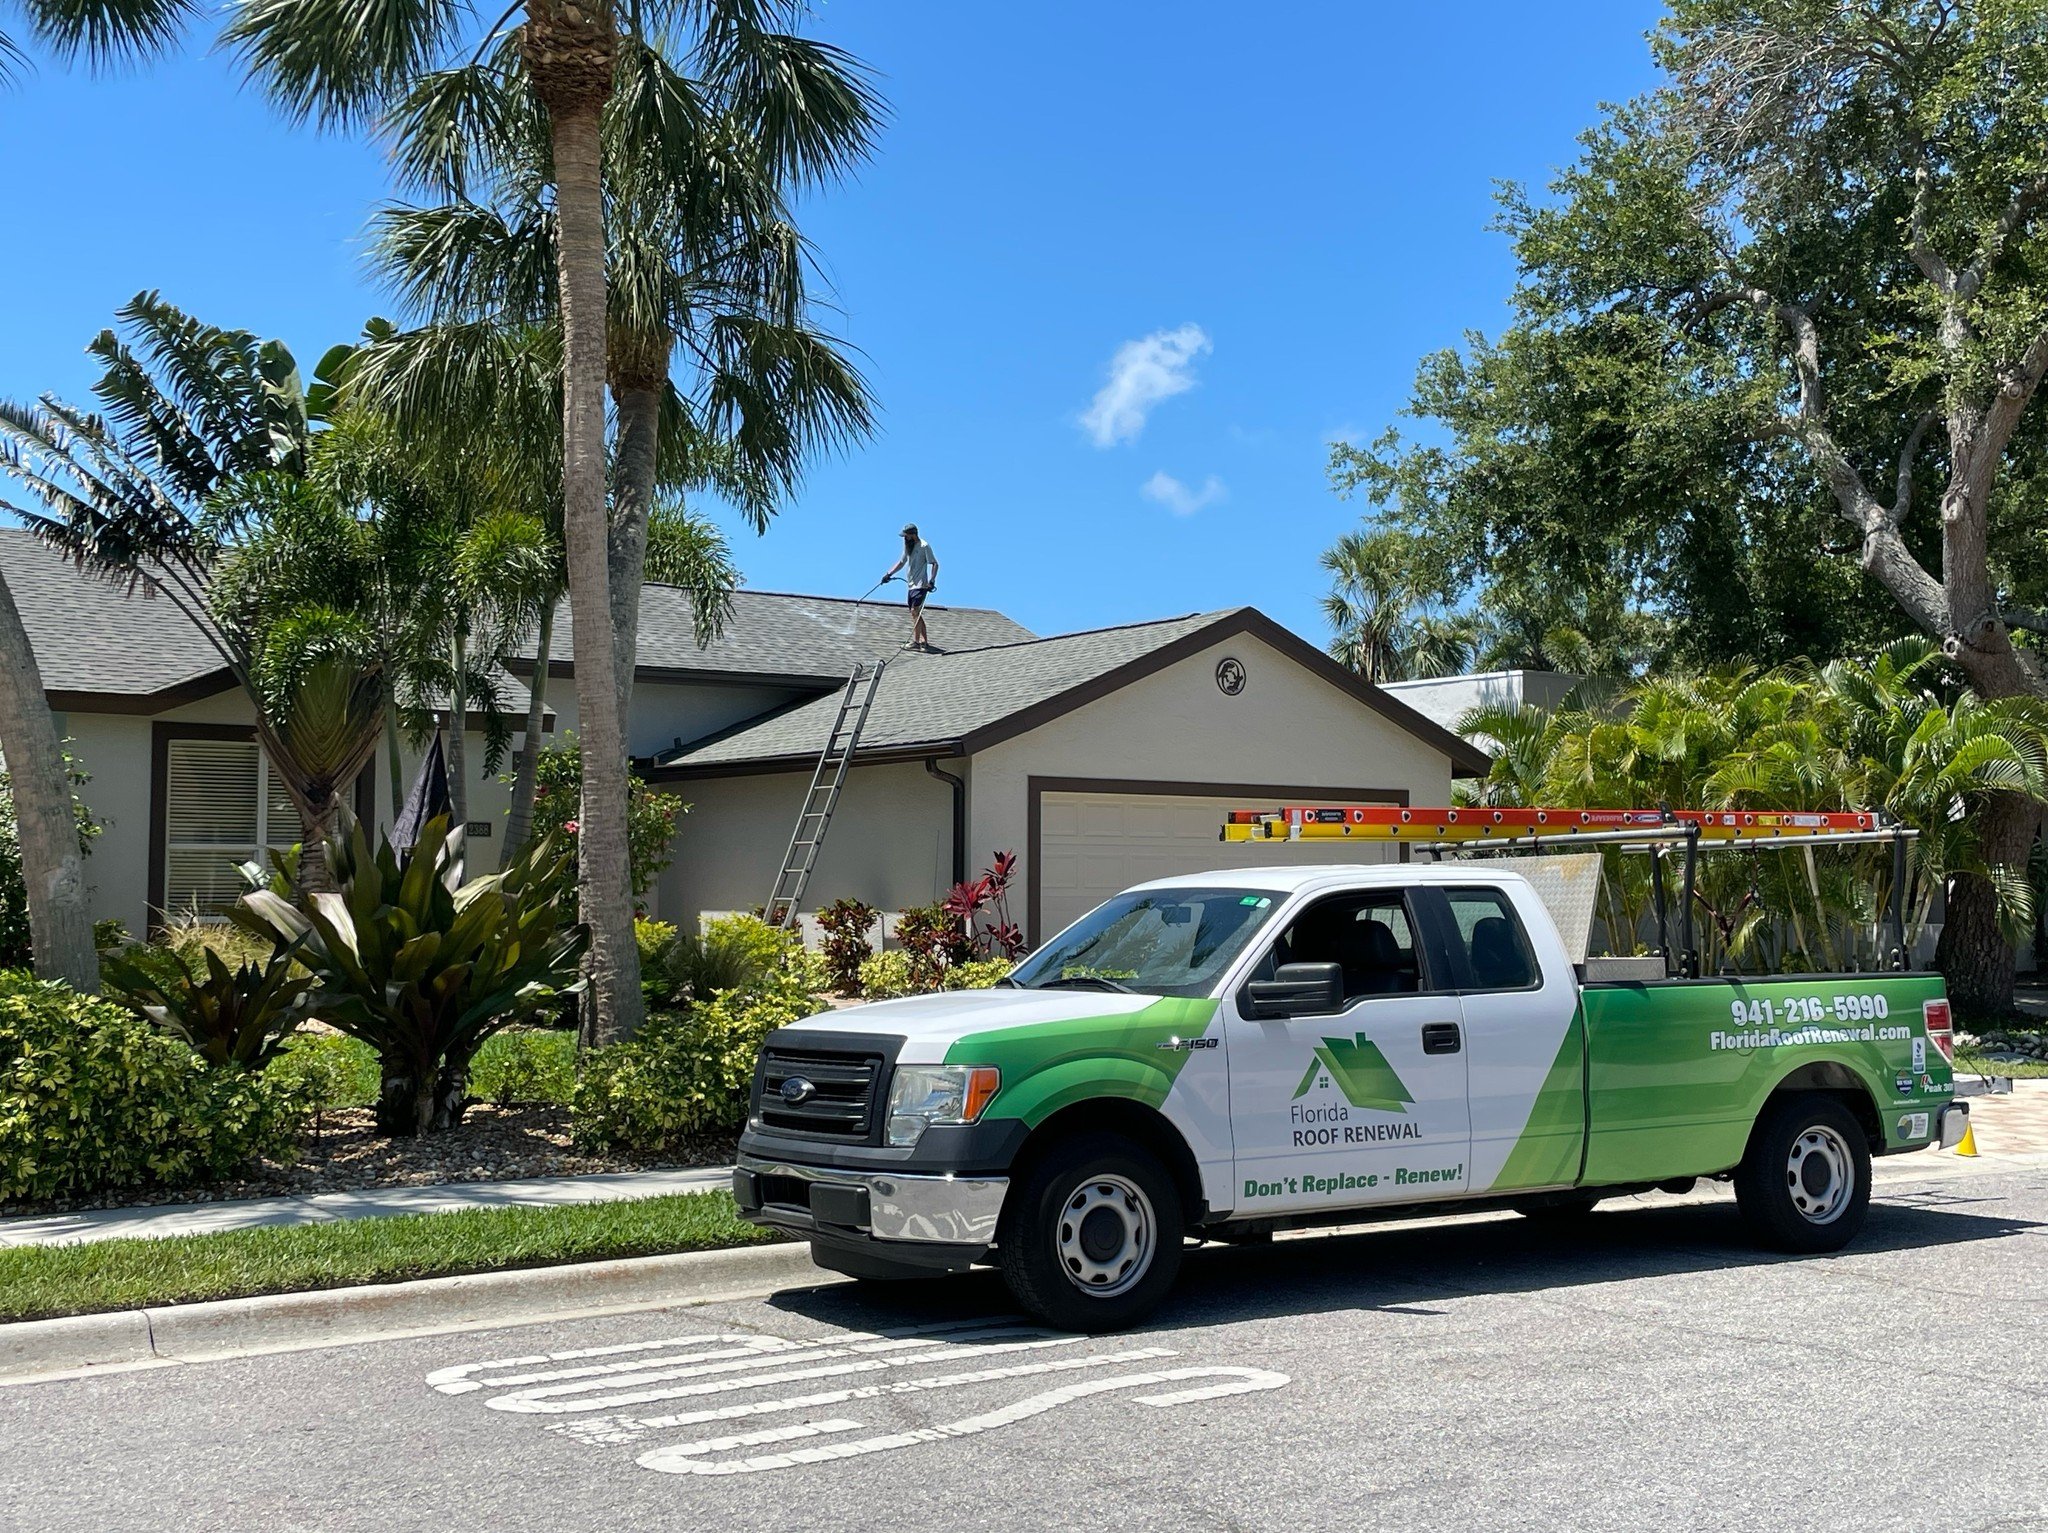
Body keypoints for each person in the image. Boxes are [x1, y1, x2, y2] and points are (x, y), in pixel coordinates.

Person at [881, 522, 940, 651]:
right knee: (915, 613)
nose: (904, 538)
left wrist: (932, 580)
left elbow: (935, 564)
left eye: (906, 536)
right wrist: (888, 574)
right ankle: (924, 642)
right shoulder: (908, 547)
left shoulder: (924, 546)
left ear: (913, 535)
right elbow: (902, 562)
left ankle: (916, 642)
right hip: (911, 585)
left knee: (914, 611)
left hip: (921, 585)